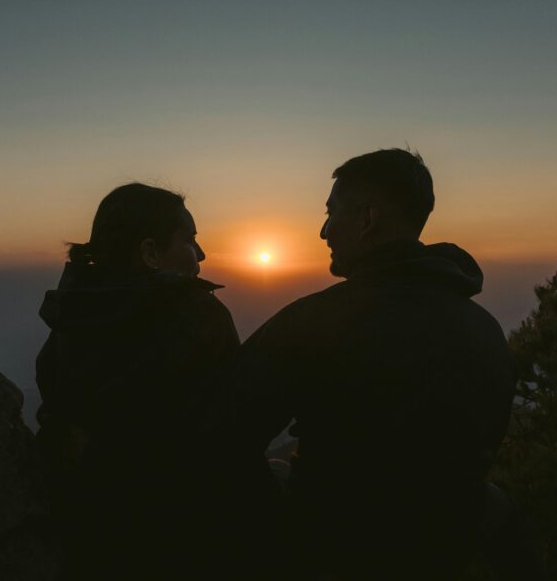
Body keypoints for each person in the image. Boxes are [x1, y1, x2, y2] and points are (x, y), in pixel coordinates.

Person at [220, 149, 516, 579]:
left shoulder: (318, 321)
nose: (323, 230)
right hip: (442, 556)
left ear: (368, 219)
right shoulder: (487, 332)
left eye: (331, 212)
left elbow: (225, 435)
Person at [34, 183, 240, 579]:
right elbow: (235, 425)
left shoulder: (73, 317)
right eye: (190, 241)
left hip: (90, 533)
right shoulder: (199, 317)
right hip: (186, 536)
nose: (201, 255)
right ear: (149, 253)